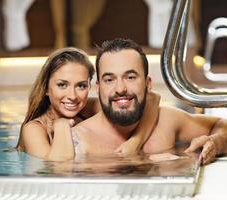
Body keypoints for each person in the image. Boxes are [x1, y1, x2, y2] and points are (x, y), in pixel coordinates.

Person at [71, 38, 227, 165]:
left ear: (148, 84)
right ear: (98, 88)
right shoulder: (78, 140)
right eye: (109, 80)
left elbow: (225, 126)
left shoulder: (167, 121)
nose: (120, 88)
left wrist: (216, 143)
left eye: (130, 77)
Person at [16, 47, 160, 161]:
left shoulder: (86, 108)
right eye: (62, 85)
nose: (72, 96)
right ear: (46, 88)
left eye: (81, 86)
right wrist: (61, 126)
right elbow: (54, 170)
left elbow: (152, 99)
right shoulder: (33, 129)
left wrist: (135, 142)